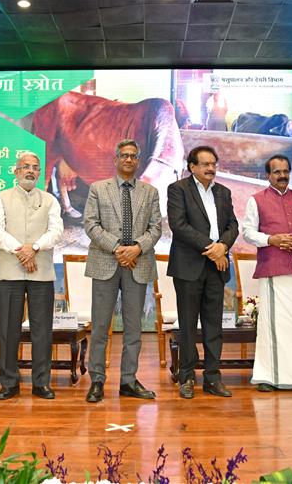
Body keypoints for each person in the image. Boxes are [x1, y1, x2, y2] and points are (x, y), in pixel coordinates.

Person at [83, 139, 163, 403]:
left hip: (137, 264)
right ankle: (96, 380)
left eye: (133, 156)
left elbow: (156, 228)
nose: (129, 160)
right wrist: (118, 248)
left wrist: (136, 248)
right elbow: (91, 225)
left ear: (138, 161)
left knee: (133, 329)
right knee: (100, 327)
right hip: (106, 262)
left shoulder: (150, 192)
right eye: (124, 155)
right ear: (115, 159)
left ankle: (128, 381)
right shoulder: (98, 189)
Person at [242, 155, 292, 392]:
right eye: (277, 172)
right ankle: (270, 377)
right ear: (268, 175)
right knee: (274, 324)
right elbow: (247, 232)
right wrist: (271, 239)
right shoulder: (256, 200)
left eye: (286, 171)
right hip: (274, 268)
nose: (282, 175)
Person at [0, 152, 63, 400]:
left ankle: (41, 383)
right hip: (10, 272)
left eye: (35, 167)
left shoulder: (51, 200)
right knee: (9, 330)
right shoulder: (1, 198)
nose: (30, 171)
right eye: (25, 167)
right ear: (16, 171)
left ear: (40, 172)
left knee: (43, 330)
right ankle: (9, 383)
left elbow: (56, 232)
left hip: (41, 272)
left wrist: (35, 248)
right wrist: (21, 251)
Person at [167, 145, 238, 399]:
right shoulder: (178, 190)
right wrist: (213, 249)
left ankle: (212, 378)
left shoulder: (224, 192)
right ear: (192, 167)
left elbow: (233, 225)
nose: (211, 168)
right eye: (205, 164)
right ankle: (186, 378)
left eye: (214, 164)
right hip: (189, 267)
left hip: (216, 268)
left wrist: (223, 247)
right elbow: (179, 225)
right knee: (187, 325)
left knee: (213, 325)